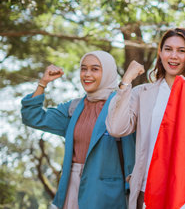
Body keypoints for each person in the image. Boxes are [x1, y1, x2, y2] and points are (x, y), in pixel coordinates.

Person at [21, 51, 135, 209]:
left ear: (108, 72)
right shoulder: (73, 108)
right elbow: (32, 117)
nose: (87, 74)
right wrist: (43, 83)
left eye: (95, 69)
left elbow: (131, 156)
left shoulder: (121, 106)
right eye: (83, 69)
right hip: (71, 186)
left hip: (106, 194)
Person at [106, 28, 185, 209]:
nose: (173, 56)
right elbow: (116, 128)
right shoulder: (143, 93)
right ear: (160, 53)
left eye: (181, 51)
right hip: (148, 190)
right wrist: (126, 81)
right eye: (168, 49)